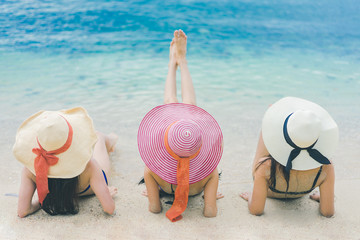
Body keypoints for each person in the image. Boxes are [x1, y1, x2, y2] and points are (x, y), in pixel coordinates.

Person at [137, 30, 224, 222]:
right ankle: (182, 61)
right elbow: (210, 212)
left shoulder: (151, 169)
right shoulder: (211, 171)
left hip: (164, 184)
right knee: (190, 107)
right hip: (197, 184)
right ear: (201, 146)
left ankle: (172, 63)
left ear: (164, 145)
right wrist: (208, 195)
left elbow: (154, 208)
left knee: (171, 102)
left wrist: (153, 195)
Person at [240, 97, 339, 217]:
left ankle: (271, 119)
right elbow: (328, 212)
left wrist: (252, 197)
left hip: (272, 190)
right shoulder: (326, 167)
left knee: (265, 135)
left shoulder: (265, 167)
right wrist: (324, 198)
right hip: (302, 190)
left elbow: (256, 210)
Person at [13, 107, 118, 217]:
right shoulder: (89, 165)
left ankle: (111, 141)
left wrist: (43, 202)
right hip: (89, 190)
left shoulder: (30, 168)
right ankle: (112, 139)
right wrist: (106, 195)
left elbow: (23, 211)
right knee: (98, 136)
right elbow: (109, 209)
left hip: (64, 192)